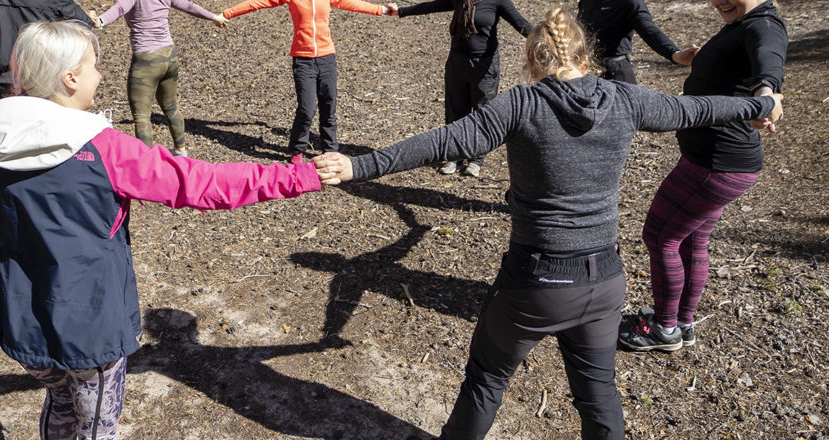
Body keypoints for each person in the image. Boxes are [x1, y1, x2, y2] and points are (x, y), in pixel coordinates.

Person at [312, 7, 782, 438]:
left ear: (533, 60)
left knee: (486, 380)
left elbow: (445, 141)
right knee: (598, 399)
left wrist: (359, 166)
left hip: (536, 283)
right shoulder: (625, 99)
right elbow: (698, 109)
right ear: (585, 55)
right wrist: (759, 105)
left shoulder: (521, 104)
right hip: (604, 284)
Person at [0, 21, 324, 439]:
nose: (100, 75)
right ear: (70, 78)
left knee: (60, 401)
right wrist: (300, 176)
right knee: (97, 424)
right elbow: (204, 184)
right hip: (86, 317)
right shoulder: (105, 149)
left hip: (18, 309)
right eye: (94, 66)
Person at [620, 0, 787, 352]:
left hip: (714, 165)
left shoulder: (763, 27)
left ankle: (664, 329)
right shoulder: (744, 22)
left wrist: (768, 95)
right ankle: (682, 320)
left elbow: (768, 66)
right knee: (692, 240)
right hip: (721, 163)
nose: (720, 1)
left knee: (660, 237)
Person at [220, 0, 395, 164]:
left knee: (329, 105)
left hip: (327, 59)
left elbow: (352, 3)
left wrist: (383, 10)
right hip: (303, 61)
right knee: (306, 109)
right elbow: (257, 2)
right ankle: (297, 151)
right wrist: (226, 14)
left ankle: (330, 149)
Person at [389, 0, 531, 177]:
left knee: (482, 113)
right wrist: (401, 11)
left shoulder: (498, 1)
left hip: (484, 66)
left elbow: (520, 23)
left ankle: (476, 160)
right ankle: (453, 157)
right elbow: (433, 6)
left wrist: (549, 41)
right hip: (457, 62)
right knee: (455, 111)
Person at [92, 0, 229, 157]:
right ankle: (181, 151)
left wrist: (100, 21)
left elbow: (119, 8)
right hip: (169, 55)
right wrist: (213, 17)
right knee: (171, 107)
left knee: (142, 116)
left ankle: (146, 163)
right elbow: (189, 6)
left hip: (146, 59)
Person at [577, 0, 698, 84]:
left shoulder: (630, 2)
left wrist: (674, 54)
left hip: (616, 75)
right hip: (587, 71)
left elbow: (648, 30)